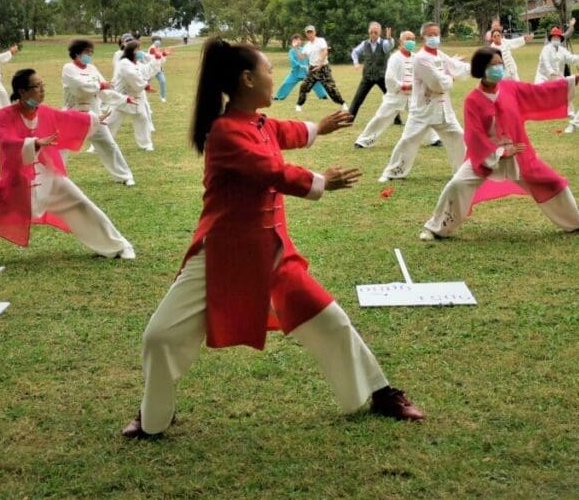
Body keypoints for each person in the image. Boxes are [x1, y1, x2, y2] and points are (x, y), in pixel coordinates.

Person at [121, 38, 423, 439]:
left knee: (331, 320)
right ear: (247, 80)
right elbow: (270, 170)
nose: (272, 76)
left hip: (271, 251)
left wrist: (320, 126)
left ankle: (379, 392)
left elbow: (284, 131)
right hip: (221, 253)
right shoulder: (226, 133)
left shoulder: (257, 123)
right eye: (267, 70)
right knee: (160, 336)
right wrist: (321, 182)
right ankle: (153, 415)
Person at [0, 68, 135, 262]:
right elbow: (6, 141)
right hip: (16, 183)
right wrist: (34, 144)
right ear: (22, 91)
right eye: (37, 86)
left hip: (50, 181)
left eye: (42, 85)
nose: (42, 90)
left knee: (83, 205)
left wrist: (93, 120)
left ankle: (118, 247)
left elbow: (68, 119)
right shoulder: (4, 115)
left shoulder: (46, 113)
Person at [419, 47, 579, 239]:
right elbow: (474, 136)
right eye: (492, 65)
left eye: (500, 64)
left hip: (520, 155)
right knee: (457, 184)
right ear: (481, 69)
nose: (498, 68)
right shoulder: (473, 100)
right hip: (486, 158)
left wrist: (573, 80)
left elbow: (540, 92)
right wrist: (501, 153)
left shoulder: (511, 88)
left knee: (553, 183)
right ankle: (435, 228)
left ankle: (578, 224)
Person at [378, 22, 469, 182]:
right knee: (408, 140)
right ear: (424, 37)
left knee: (458, 136)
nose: (434, 38)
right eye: (430, 35)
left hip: (443, 110)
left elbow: (456, 66)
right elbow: (438, 84)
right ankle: (392, 172)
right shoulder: (421, 59)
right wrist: (451, 77)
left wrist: (476, 66)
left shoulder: (439, 55)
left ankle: (462, 171)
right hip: (422, 110)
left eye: (436, 34)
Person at [61, 39, 135, 185]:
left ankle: (125, 176)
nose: (89, 55)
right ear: (77, 53)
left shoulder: (92, 69)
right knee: (61, 146)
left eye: (91, 52)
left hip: (94, 115)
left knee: (109, 144)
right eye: (86, 52)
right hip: (73, 114)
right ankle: (56, 178)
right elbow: (80, 87)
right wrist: (100, 85)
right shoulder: (68, 68)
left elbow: (105, 91)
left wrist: (123, 99)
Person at [106, 40, 155, 151]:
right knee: (112, 121)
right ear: (131, 51)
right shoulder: (124, 63)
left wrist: (158, 58)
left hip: (137, 98)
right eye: (137, 49)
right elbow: (132, 76)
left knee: (142, 119)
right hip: (123, 98)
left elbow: (147, 70)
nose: (139, 52)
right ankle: (99, 144)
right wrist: (145, 85)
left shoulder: (137, 63)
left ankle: (146, 144)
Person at [534, 26, 579, 116]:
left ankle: (570, 111)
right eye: (554, 37)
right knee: (537, 91)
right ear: (551, 39)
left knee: (564, 91)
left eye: (557, 37)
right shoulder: (546, 49)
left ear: (560, 39)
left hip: (557, 76)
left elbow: (571, 59)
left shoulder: (563, 50)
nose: (556, 39)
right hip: (543, 76)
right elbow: (546, 62)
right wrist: (551, 72)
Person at [295, 25, 348, 112]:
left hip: (323, 68)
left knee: (331, 88)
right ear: (306, 34)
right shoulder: (307, 45)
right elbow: (301, 57)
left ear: (315, 32)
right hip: (312, 69)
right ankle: (299, 105)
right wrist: (296, 48)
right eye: (308, 32)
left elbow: (325, 51)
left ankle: (343, 103)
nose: (310, 34)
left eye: (311, 32)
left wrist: (320, 64)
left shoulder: (321, 41)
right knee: (304, 86)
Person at [348, 22, 395, 118]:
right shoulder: (364, 44)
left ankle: (397, 119)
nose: (373, 34)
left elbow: (390, 45)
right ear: (368, 32)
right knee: (357, 99)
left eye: (376, 32)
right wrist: (356, 63)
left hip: (382, 76)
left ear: (380, 33)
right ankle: (349, 119)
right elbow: (355, 52)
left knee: (391, 98)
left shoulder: (384, 44)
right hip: (367, 76)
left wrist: (389, 38)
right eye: (371, 32)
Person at [273, 33, 328, 101]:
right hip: (296, 73)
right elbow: (292, 60)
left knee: (316, 82)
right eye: (296, 40)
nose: (298, 41)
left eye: (299, 39)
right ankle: (279, 97)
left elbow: (310, 57)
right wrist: (299, 65)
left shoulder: (304, 49)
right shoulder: (292, 51)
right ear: (293, 42)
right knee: (287, 83)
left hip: (307, 72)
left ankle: (323, 96)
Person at [148, 37, 170, 103]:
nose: (158, 43)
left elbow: (162, 61)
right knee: (146, 84)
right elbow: (152, 58)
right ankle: (145, 98)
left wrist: (164, 55)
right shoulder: (151, 49)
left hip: (158, 70)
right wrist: (161, 55)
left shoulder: (158, 49)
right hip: (150, 69)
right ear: (154, 42)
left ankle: (162, 97)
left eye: (159, 41)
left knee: (163, 82)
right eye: (157, 41)